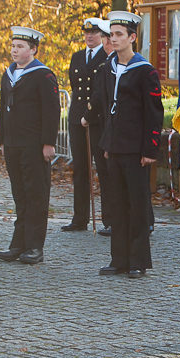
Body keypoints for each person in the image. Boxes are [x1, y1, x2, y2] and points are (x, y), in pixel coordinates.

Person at [98, 11, 163, 279]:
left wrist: (150, 149)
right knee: (117, 203)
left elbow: (154, 112)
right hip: (114, 147)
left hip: (136, 150)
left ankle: (138, 261)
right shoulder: (108, 68)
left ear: (132, 38)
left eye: (118, 35)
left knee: (137, 205)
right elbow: (106, 109)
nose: (113, 39)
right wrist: (107, 143)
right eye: (111, 34)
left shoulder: (145, 71)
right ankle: (119, 259)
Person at [0, 26, 60, 264]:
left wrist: (48, 143)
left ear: (33, 50)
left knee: (35, 195)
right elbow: (4, 109)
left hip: (34, 145)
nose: (14, 50)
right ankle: (18, 244)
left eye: (20, 46)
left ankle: (35, 247)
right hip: (14, 144)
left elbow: (52, 111)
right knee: (20, 195)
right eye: (13, 46)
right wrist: (2, 140)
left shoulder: (43, 75)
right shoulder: (8, 74)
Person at [62, 18, 110, 233]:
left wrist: (91, 115)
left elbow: (101, 91)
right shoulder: (77, 57)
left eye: (94, 33)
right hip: (77, 118)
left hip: (98, 120)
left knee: (104, 168)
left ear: (101, 34)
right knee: (80, 169)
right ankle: (80, 218)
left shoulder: (107, 56)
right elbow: (76, 88)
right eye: (86, 33)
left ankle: (109, 219)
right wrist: (80, 116)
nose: (89, 36)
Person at [81, 19, 113, 236]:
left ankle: (135, 220)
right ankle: (111, 220)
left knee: (119, 177)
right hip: (102, 124)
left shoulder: (110, 63)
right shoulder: (106, 65)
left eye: (111, 37)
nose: (108, 42)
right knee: (106, 174)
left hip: (113, 127)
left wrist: (89, 115)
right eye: (107, 38)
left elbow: (101, 96)